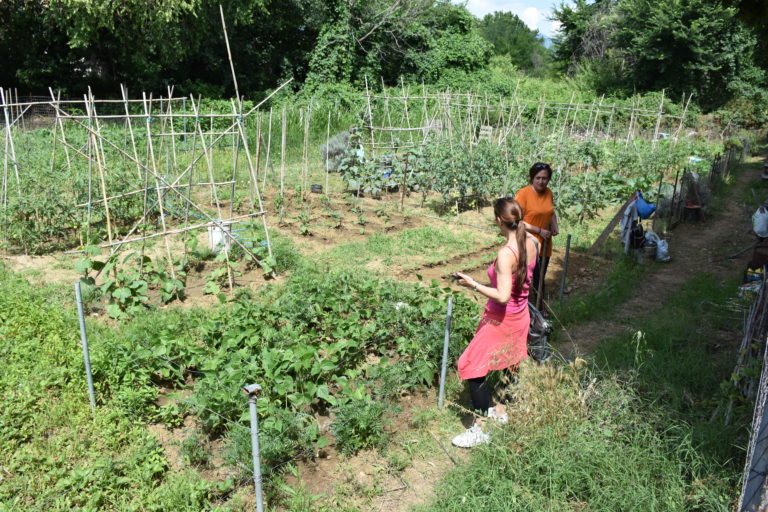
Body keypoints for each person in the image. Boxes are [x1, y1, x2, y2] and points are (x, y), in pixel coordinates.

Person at [450, 197, 538, 448]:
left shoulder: (505, 254)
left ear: (499, 220)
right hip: (521, 315)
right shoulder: (533, 243)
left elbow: (502, 295)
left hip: (503, 318)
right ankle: (500, 410)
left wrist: (474, 284)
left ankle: (480, 428)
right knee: (510, 363)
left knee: (470, 364)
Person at [515, 162, 559, 309]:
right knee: (525, 277)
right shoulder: (523, 194)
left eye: (545, 178)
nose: (541, 181)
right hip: (527, 242)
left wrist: (554, 225)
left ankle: (539, 307)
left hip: (545, 242)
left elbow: (551, 212)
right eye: (538, 178)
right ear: (532, 178)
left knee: (540, 278)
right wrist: (538, 230)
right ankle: (523, 308)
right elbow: (517, 221)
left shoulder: (549, 192)